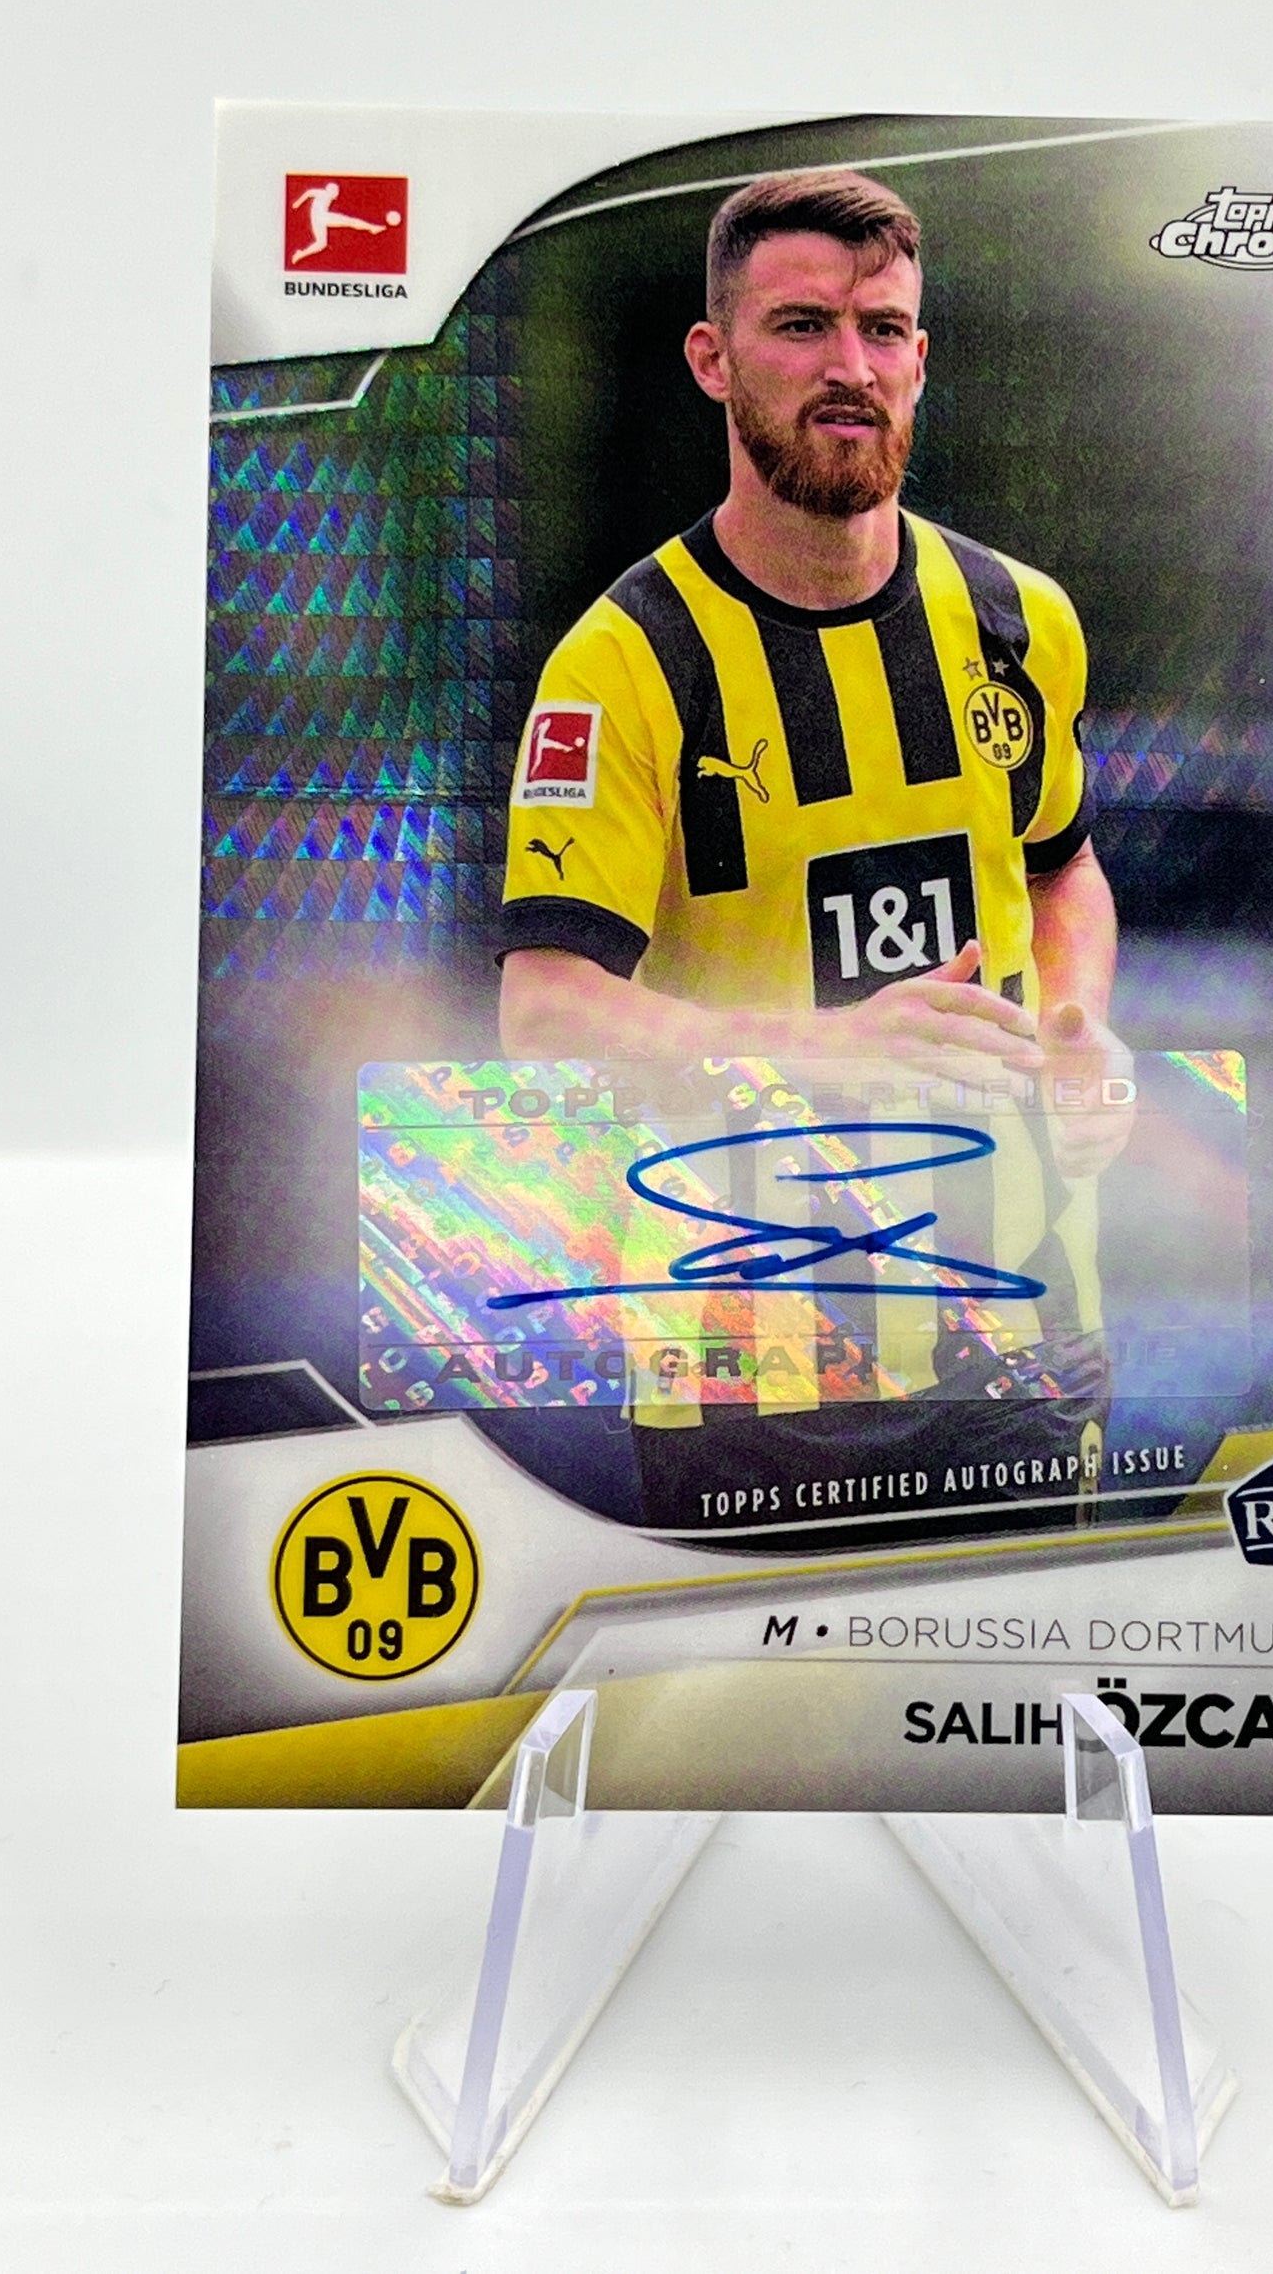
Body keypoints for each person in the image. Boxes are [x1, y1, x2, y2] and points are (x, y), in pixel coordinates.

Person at [496, 169, 1133, 1543]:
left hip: (1022, 1335)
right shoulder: (624, 663)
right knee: (777, 1697)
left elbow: (1060, 867)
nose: (851, 366)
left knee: (1018, 1683)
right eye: (801, 326)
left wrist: (1080, 1026)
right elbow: (544, 1012)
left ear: (919, 359)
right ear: (712, 360)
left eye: (882, 329)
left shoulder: (1019, 619)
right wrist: (829, 1051)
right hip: (752, 1366)